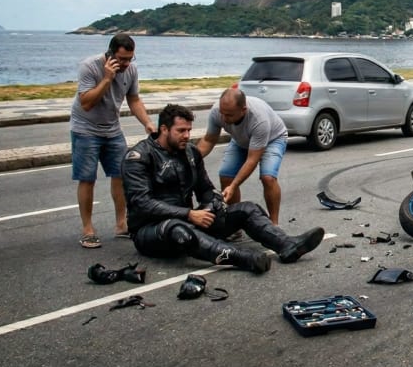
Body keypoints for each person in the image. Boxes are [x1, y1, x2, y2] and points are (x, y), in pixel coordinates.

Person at [123, 104, 323, 273]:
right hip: (151, 231)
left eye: (189, 130)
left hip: (190, 219)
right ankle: (242, 259)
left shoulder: (191, 152)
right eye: (181, 131)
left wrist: (213, 203)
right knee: (178, 229)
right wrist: (189, 214)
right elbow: (142, 203)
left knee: (247, 209)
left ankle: (287, 245)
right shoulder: (139, 157)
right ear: (164, 129)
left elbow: (205, 189)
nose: (187, 136)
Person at [70, 33, 156, 249]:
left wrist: (147, 122)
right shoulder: (89, 67)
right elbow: (87, 102)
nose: (127, 64)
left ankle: (121, 224)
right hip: (85, 128)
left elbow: (133, 99)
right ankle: (88, 229)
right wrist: (107, 78)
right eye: (123, 59)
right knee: (87, 178)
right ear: (110, 55)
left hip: (112, 128)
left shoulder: (131, 70)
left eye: (130, 59)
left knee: (121, 173)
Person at [196, 88, 288, 224]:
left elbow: (252, 159)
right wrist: (191, 159)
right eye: (223, 114)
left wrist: (233, 186)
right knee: (226, 176)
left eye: (229, 115)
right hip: (241, 139)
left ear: (243, 110)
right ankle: (235, 225)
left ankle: (274, 224)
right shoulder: (217, 112)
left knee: (268, 178)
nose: (225, 119)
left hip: (273, 139)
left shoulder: (259, 119)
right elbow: (209, 140)